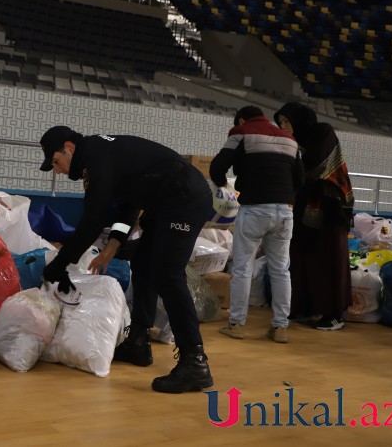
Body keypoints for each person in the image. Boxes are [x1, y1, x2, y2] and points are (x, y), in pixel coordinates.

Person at [38, 125, 214, 393]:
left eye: (56, 162)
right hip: (166, 200)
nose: (59, 170)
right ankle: (139, 341)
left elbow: (92, 221)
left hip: (183, 197)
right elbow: (129, 203)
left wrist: (59, 264)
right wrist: (115, 242)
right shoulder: (98, 153)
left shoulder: (96, 158)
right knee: (143, 261)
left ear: (69, 147)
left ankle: (195, 362)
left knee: (168, 273)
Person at [210, 106, 304, 343]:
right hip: (284, 211)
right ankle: (281, 327)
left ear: (241, 118)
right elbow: (300, 179)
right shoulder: (290, 139)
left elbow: (217, 167)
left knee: (242, 267)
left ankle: (237, 324)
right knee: (281, 269)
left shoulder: (241, 132)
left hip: (254, 209)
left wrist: (222, 185)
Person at [274, 102, 355, 330]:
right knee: (300, 259)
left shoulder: (323, 131)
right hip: (303, 205)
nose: (283, 126)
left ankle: (334, 313)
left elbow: (317, 165)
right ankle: (303, 307)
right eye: (280, 122)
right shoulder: (293, 142)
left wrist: (290, 150)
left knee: (327, 260)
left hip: (329, 206)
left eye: (287, 121)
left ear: (300, 120)